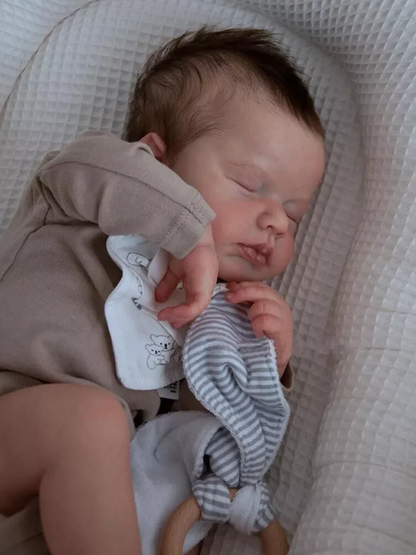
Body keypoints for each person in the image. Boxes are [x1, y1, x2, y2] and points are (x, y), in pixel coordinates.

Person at [0, 27, 325, 555]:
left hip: (64, 514)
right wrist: (187, 226)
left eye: (294, 215)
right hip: (14, 416)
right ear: (155, 162)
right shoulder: (81, 205)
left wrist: (264, 360)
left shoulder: (212, 316)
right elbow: (85, 166)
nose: (276, 223)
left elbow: (192, 436)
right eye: (249, 184)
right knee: (91, 422)